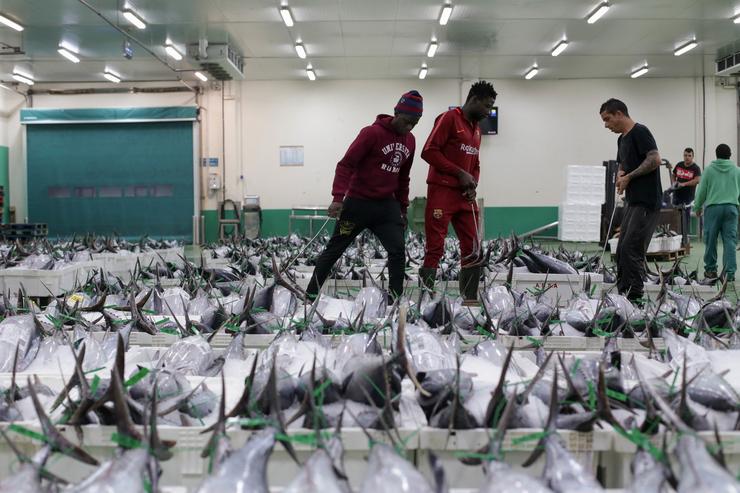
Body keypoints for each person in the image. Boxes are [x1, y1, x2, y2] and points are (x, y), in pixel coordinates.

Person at [306, 90, 423, 302]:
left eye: (414, 124)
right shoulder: (371, 133)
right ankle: (310, 294)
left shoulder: (411, 141)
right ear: (396, 112)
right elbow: (345, 165)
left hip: (386, 207)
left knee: (397, 251)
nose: (409, 128)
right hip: (358, 204)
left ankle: (395, 301)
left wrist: (403, 209)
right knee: (335, 249)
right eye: (406, 121)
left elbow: (403, 178)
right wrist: (338, 198)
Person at [419, 81, 497, 302]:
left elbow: (476, 164)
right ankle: (426, 298)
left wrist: (473, 183)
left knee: (473, 246)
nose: (488, 111)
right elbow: (429, 151)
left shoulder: (477, 131)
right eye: (486, 106)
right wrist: (459, 173)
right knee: (435, 247)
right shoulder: (449, 118)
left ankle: (469, 299)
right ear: (473, 100)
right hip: (442, 192)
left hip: (465, 197)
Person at [600, 98, 662, 303]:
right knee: (621, 248)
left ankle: (635, 298)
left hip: (646, 201)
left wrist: (629, 177)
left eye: (608, 119)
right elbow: (622, 164)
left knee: (631, 248)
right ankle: (623, 294)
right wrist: (620, 175)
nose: (606, 125)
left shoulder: (640, 132)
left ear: (619, 114)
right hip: (632, 201)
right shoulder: (621, 140)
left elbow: (654, 159)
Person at [694, 144, 740, 282]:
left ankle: (710, 271)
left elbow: (701, 191)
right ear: (730, 155)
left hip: (713, 209)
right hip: (731, 208)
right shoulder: (737, 171)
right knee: (730, 242)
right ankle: (729, 273)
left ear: (716, 154)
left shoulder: (708, 170)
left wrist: (697, 207)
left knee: (711, 240)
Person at [667, 147, 701, 248]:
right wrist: (674, 182)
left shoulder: (695, 168)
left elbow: (697, 180)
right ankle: (673, 239)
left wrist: (684, 184)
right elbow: (673, 174)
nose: (687, 158)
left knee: (685, 219)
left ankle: (684, 241)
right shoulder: (679, 165)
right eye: (685, 155)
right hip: (677, 196)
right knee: (674, 217)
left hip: (687, 198)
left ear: (692, 157)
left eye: (689, 156)